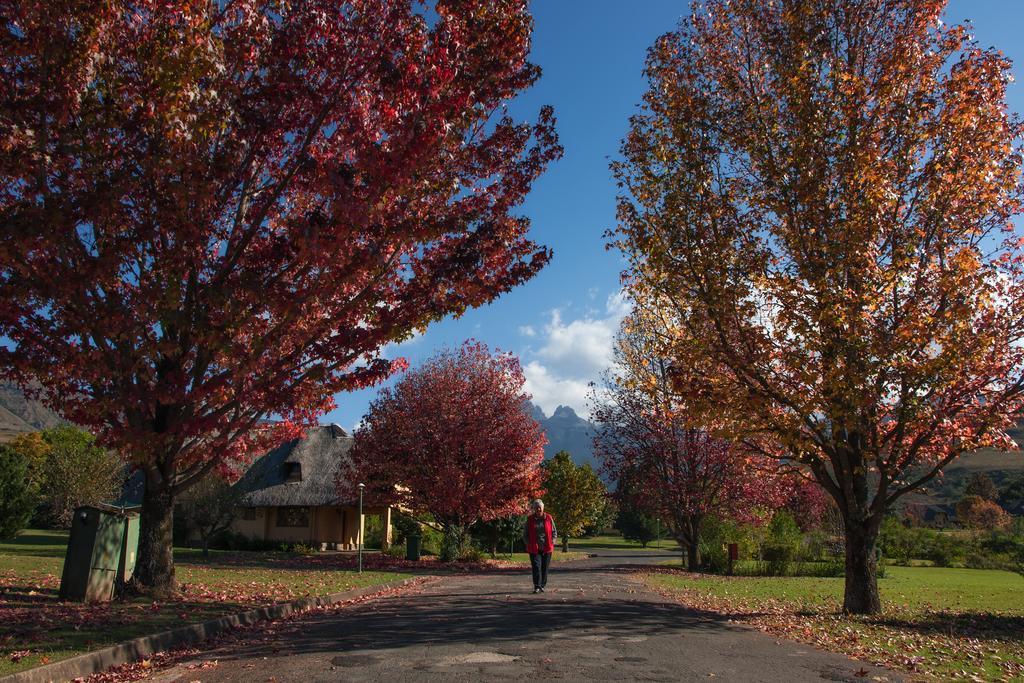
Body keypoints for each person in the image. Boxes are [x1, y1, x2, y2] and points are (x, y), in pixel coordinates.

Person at [524, 498, 557, 593]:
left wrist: (553, 541)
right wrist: (528, 543)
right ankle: (537, 586)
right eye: (536, 508)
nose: (538, 509)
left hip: (547, 547)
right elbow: (525, 534)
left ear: (543, 508)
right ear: (534, 509)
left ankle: (542, 585)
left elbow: (554, 532)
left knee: (544, 568)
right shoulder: (530, 519)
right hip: (534, 548)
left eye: (539, 508)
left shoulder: (549, 518)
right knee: (536, 566)